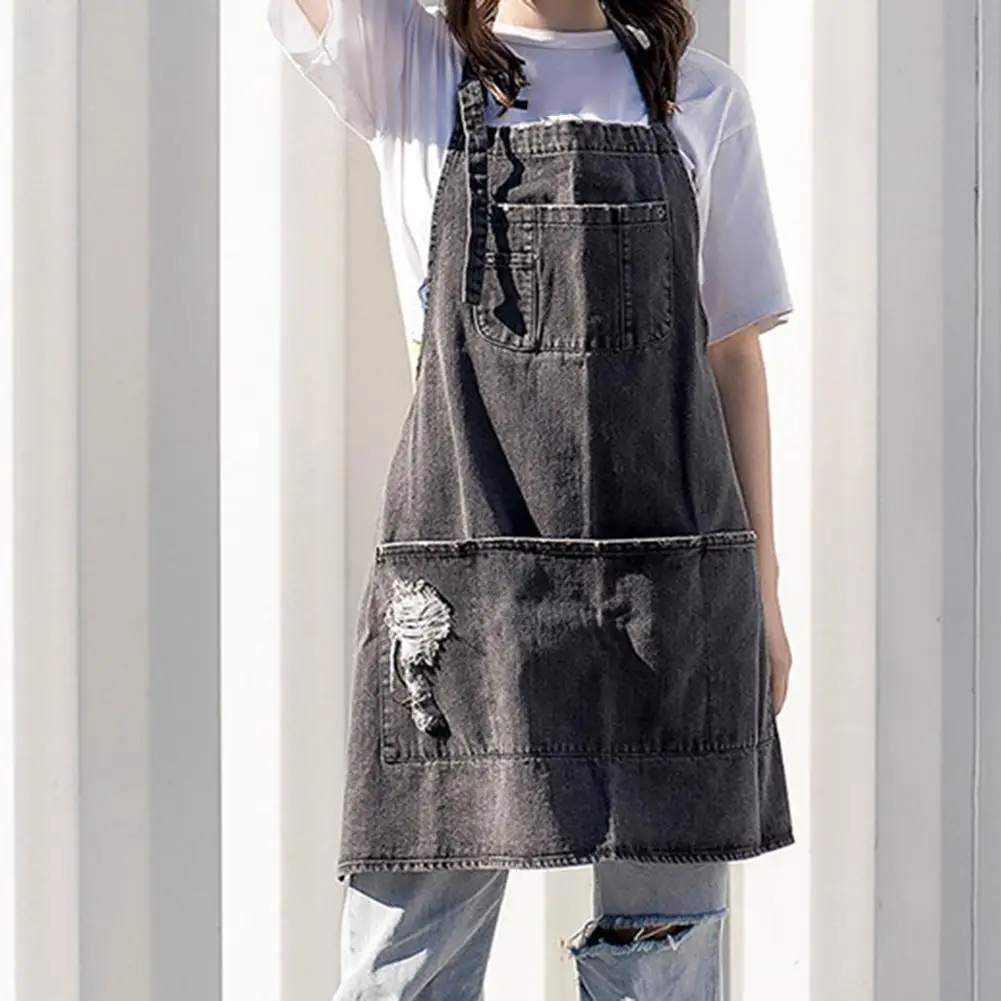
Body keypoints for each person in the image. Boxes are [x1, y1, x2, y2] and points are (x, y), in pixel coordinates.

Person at [267, 0, 796, 997]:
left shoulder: (700, 96)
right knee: (405, 967)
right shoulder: (411, 67)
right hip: (464, 597)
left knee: (661, 961)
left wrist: (761, 591)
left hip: (669, 598)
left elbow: (732, 356)